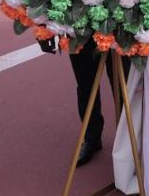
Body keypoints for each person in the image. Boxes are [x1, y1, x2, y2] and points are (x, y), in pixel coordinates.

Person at [38, 37, 131, 166]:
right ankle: (91, 137)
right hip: (79, 31)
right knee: (86, 86)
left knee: (124, 88)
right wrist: (44, 32)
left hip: (119, 29)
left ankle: (129, 139)